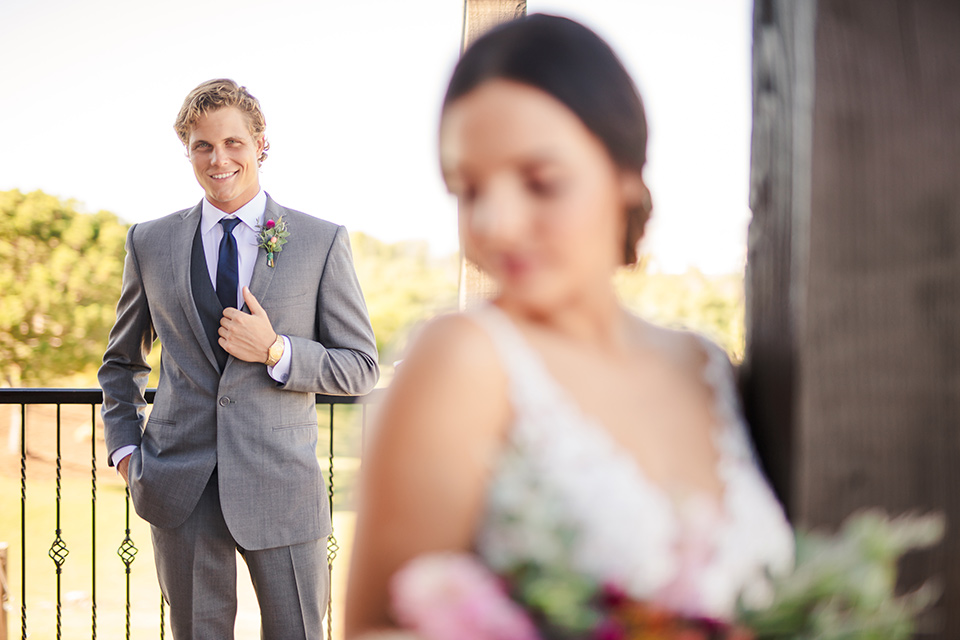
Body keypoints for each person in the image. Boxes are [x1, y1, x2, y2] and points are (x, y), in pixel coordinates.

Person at [344, 14, 793, 638]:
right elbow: (376, 630)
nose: (497, 223)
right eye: (468, 190)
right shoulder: (464, 360)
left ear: (625, 174)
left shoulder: (704, 366)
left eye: (541, 182)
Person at [99, 78, 379, 640]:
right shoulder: (149, 242)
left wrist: (276, 351)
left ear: (260, 146)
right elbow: (122, 363)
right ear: (188, 153)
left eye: (233, 143)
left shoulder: (319, 241)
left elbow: (361, 368)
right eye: (202, 146)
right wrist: (128, 452)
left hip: (281, 486)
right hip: (179, 486)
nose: (218, 158)